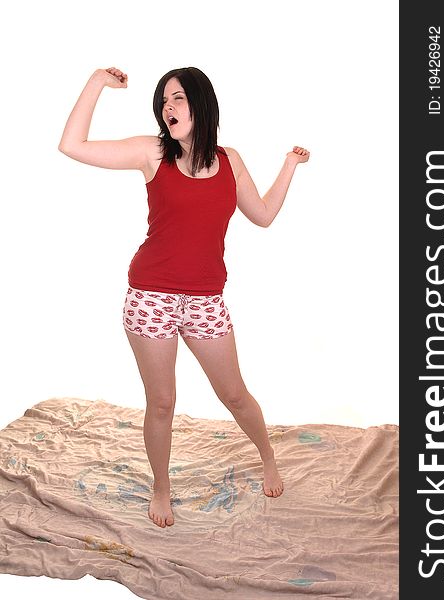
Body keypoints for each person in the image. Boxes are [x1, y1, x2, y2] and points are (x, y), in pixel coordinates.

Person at [58, 66, 310, 528]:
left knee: (234, 393)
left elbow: (264, 214)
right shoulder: (154, 153)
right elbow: (72, 145)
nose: (167, 108)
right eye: (163, 102)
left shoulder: (229, 160)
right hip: (151, 294)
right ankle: (161, 488)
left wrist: (289, 165)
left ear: (201, 102)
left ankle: (268, 456)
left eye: (176, 98)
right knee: (161, 402)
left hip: (206, 299)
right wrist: (97, 82)